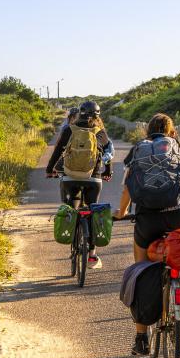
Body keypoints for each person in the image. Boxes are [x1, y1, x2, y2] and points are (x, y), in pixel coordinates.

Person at [114, 113, 180, 356]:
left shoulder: (138, 151)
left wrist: (122, 212)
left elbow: (128, 186)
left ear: (147, 133)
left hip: (148, 218)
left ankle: (141, 337)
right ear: (172, 133)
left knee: (140, 269)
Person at [46, 100, 113, 269]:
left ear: (80, 113)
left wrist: (50, 169)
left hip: (70, 177)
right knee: (92, 210)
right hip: (93, 178)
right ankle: (92, 255)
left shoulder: (70, 129)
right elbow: (108, 154)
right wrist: (106, 172)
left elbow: (58, 150)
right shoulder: (100, 132)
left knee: (72, 209)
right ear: (98, 115)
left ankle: (73, 236)